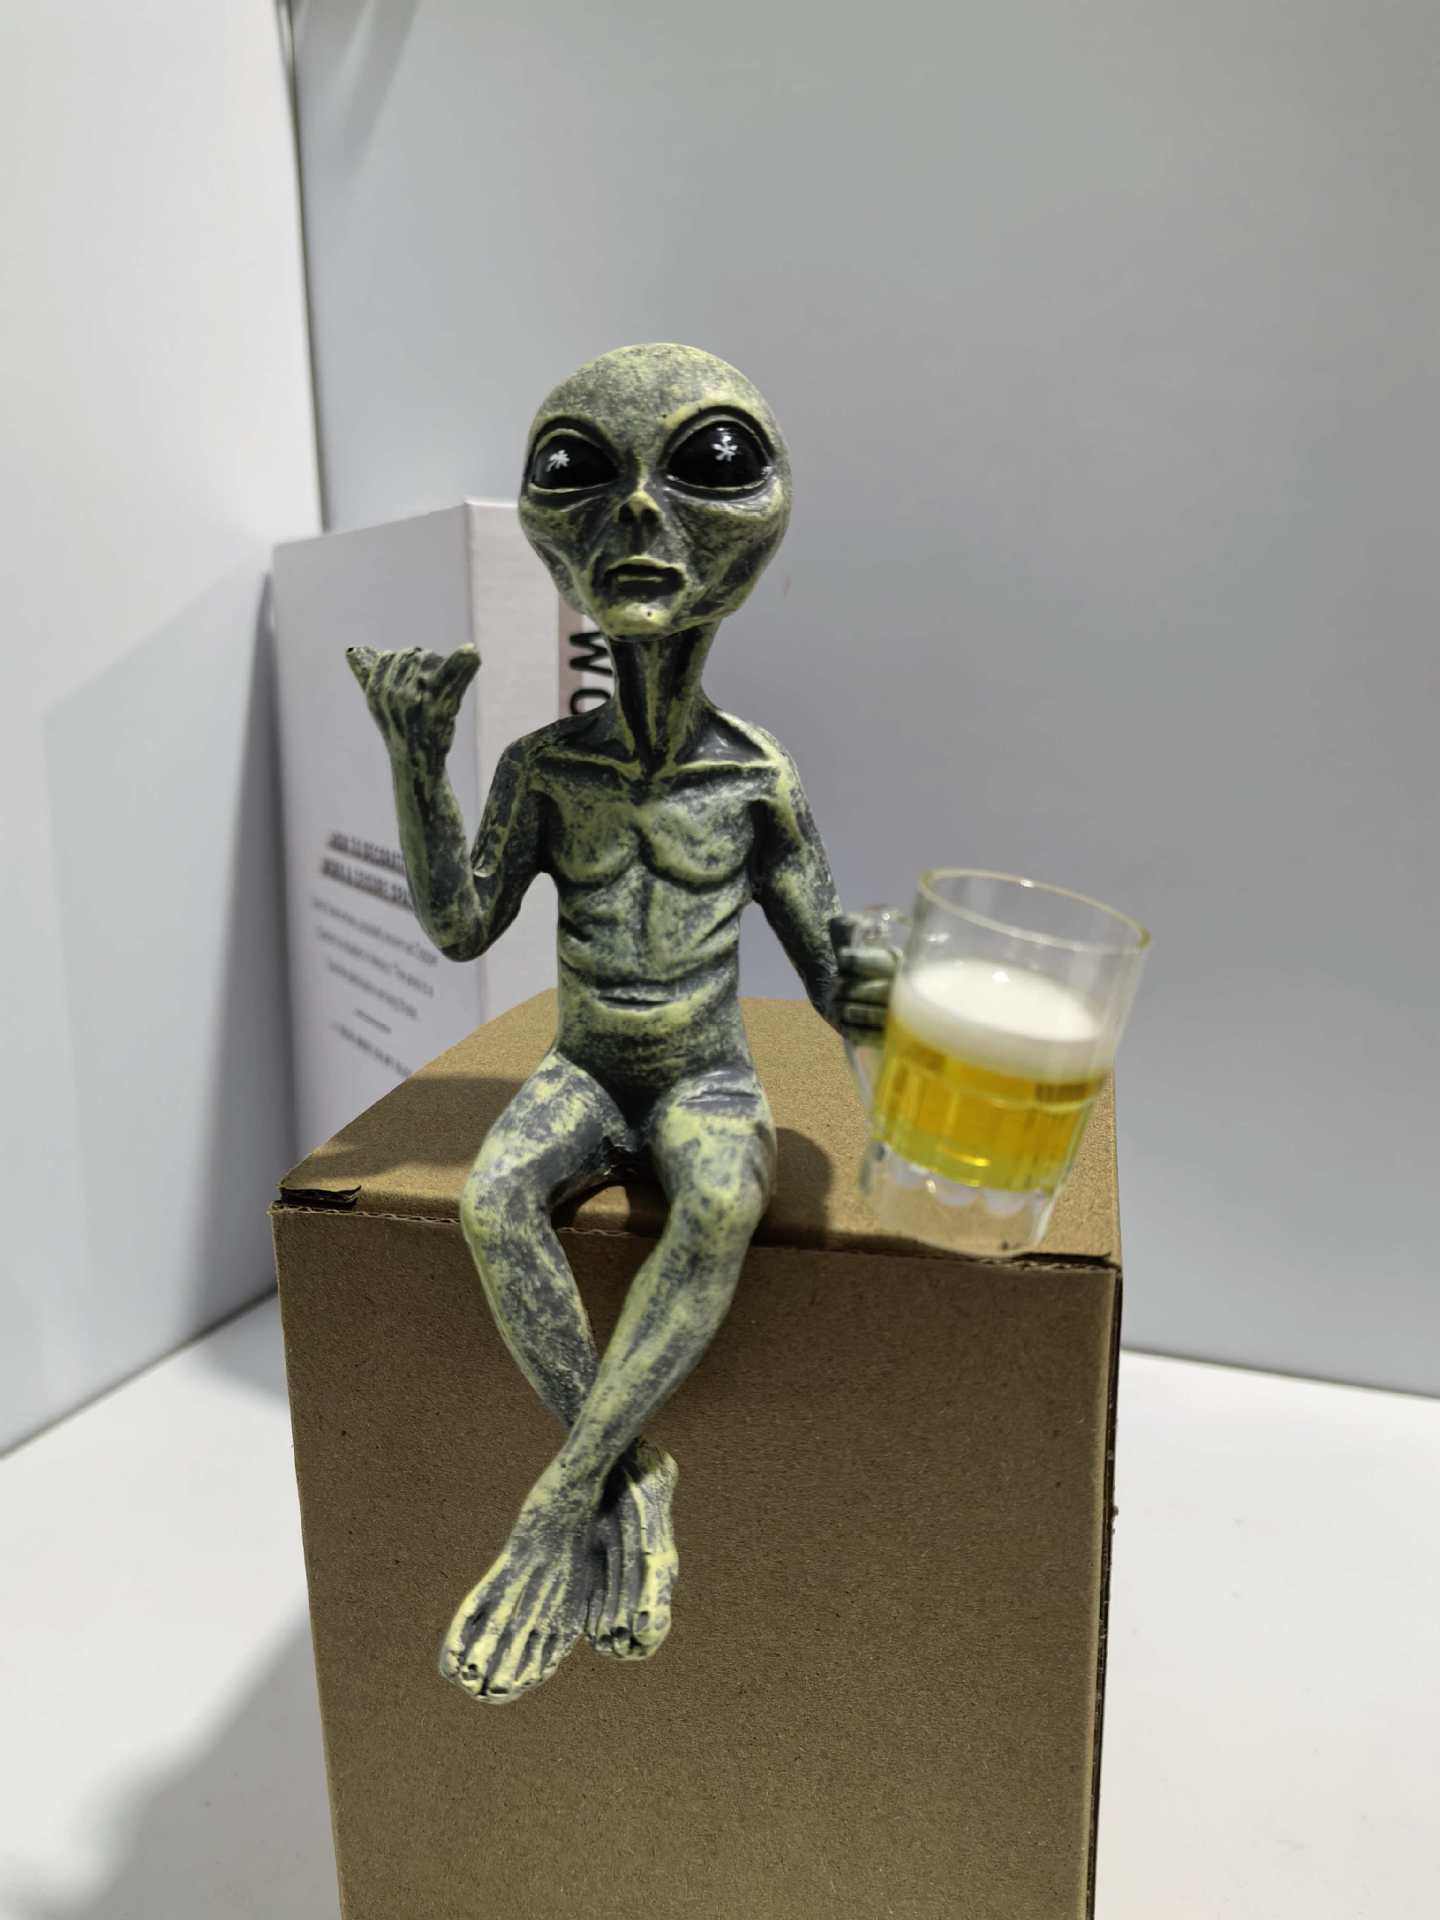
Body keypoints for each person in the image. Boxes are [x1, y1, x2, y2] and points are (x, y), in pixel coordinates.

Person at [348, 343, 884, 1702]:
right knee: (490, 1203)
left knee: (722, 1200)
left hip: (702, 1072)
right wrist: (416, 759)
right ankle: (630, 1475)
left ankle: (554, 1505)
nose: (641, 513)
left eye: (706, 468)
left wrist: (883, 988)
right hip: (588, 1067)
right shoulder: (547, 768)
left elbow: (831, 982)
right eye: (585, 472)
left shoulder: (754, 781)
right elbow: (462, 924)